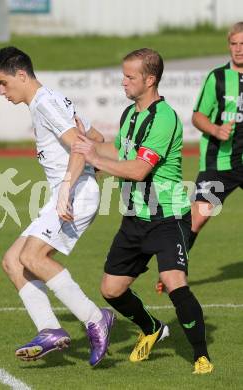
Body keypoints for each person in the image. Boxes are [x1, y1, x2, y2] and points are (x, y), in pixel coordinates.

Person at [73, 48, 213, 374]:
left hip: (167, 218)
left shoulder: (164, 118)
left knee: (173, 280)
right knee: (110, 289)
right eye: (123, 75)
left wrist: (95, 159)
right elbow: (117, 151)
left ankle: (201, 356)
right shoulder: (129, 114)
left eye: (129, 76)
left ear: (149, 80)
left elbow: (138, 170)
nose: (123, 82)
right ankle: (152, 328)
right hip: (135, 219)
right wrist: (86, 145)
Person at [0, 46, 115, 367]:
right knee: (13, 261)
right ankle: (49, 330)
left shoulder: (45, 103)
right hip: (69, 192)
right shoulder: (52, 101)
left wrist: (71, 187)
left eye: (3, 83)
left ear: (21, 74)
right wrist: (88, 173)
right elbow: (93, 136)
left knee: (32, 256)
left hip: (72, 195)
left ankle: (95, 318)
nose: (1, 91)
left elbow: (80, 144)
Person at [190, 21, 243, 249]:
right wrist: (216, 130)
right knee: (198, 217)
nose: (239, 48)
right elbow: (198, 116)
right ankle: (173, 269)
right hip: (219, 162)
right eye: (234, 43)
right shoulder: (217, 78)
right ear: (229, 46)